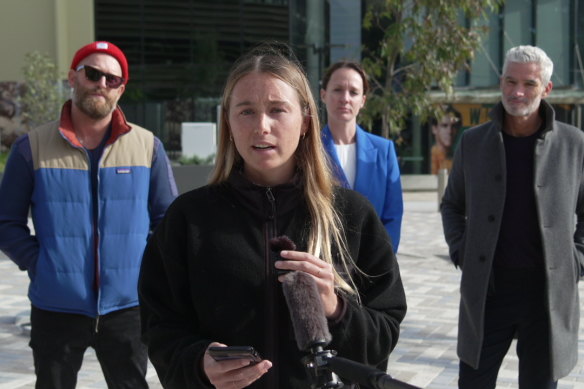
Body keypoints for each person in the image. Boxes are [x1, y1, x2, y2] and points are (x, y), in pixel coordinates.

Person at [138, 44, 407, 389]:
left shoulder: (353, 216)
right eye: (246, 111)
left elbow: (383, 335)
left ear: (306, 121)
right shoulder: (188, 220)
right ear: (228, 122)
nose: (261, 126)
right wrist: (197, 363)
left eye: (277, 109)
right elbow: (159, 328)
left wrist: (336, 308)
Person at [0, 41, 178, 388]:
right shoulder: (31, 147)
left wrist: (144, 271)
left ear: (121, 89)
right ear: (73, 77)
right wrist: (42, 265)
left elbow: (169, 222)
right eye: (93, 74)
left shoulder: (147, 147)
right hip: (56, 308)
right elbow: (6, 223)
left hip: (128, 308)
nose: (102, 84)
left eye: (113, 79)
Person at [441, 45, 584, 388]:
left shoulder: (574, 144)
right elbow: (452, 205)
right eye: (510, 81)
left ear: (547, 89)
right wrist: (461, 251)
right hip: (488, 292)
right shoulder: (473, 142)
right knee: (473, 382)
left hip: (546, 296)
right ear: (501, 81)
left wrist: (576, 261)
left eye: (529, 84)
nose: (517, 92)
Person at [320, 61, 403, 252]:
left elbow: (393, 215)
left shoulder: (384, 150)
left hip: (373, 264)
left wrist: (382, 262)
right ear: (323, 94)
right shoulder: (308, 148)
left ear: (363, 100)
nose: (345, 98)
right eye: (338, 90)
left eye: (353, 92)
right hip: (323, 264)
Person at [430, 106, 461, 174]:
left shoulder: (458, 158)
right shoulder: (430, 158)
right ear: (434, 129)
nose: (450, 131)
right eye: (444, 125)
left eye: (453, 126)